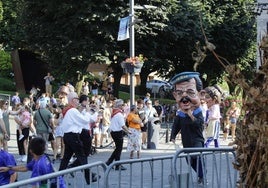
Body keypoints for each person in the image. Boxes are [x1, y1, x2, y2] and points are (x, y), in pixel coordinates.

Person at [169, 72, 205, 185]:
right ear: (175, 96)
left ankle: (202, 176)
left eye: (190, 92)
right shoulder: (180, 114)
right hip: (187, 142)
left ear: (200, 94)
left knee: (196, 158)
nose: (185, 98)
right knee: (189, 160)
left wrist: (190, 114)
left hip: (197, 140)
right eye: (180, 93)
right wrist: (172, 136)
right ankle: (200, 174)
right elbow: (176, 125)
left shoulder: (198, 112)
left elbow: (199, 125)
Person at [59, 92, 99, 185]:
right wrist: (88, 111)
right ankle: (88, 177)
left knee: (66, 158)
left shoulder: (69, 110)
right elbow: (84, 120)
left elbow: (79, 122)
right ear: (73, 100)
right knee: (82, 156)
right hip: (73, 136)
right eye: (77, 99)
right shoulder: (72, 110)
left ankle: (58, 177)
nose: (78, 101)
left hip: (68, 135)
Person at [0, 137, 65, 188]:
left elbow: (35, 185)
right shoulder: (43, 157)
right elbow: (25, 167)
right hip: (59, 184)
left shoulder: (38, 166)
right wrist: (9, 168)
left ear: (30, 151)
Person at [105, 99, 132, 170]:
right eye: (123, 105)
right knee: (119, 149)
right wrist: (128, 131)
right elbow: (123, 125)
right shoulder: (119, 114)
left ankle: (110, 162)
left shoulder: (114, 113)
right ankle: (116, 164)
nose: (124, 106)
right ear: (120, 106)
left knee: (117, 149)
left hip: (113, 131)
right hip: (117, 132)